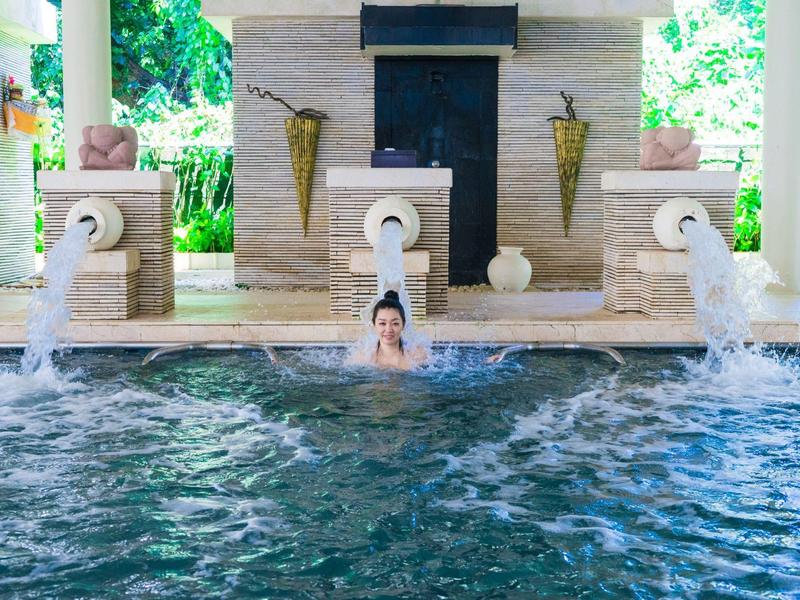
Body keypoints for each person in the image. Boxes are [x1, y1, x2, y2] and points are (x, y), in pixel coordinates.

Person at [348, 290, 428, 370]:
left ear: (403, 324)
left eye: (395, 323)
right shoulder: (362, 358)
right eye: (382, 323)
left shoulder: (417, 358)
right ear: (374, 324)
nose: (388, 329)